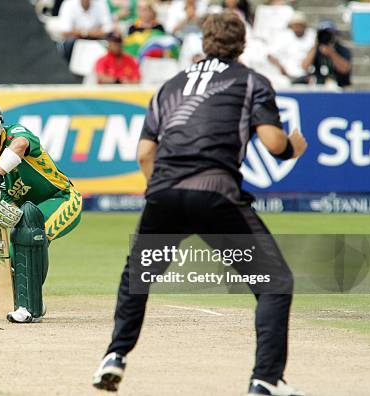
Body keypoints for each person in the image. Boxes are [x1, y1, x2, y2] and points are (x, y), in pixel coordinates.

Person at [92, 12, 308, 396]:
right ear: (243, 43)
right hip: (216, 192)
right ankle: (265, 380)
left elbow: (144, 154)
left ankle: (115, 354)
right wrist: (295, 148)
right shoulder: (252, 82)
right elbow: (275, 144)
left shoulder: (170, 85)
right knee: (274, 283)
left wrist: (166, 192)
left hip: (163, 193)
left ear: (203, 42)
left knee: (137, 276)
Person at [0, 99, 82, 323]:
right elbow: (10, 213)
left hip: (62, 199)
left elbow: (21, 145)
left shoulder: (15, 133)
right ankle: (31, 301)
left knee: (32, 234)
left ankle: (30, 306)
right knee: (16, 249)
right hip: (28, 214)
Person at [268, 12, 316, 83]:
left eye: (300, 25)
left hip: (307, 76)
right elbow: (270, 55)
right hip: (287, 77)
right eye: (295, 25)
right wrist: (280, 67)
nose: (297, 28)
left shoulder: (311, 36)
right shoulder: (283, 37)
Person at [301, 20, 351, 87]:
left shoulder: (342, 50)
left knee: (332, 85)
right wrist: (316, 46)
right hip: (318, 84)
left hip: (339, 85)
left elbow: (345, 69)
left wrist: (331, 53)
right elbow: (305, 67)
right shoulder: (314, 50)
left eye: (329, 34)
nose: (326, 36)